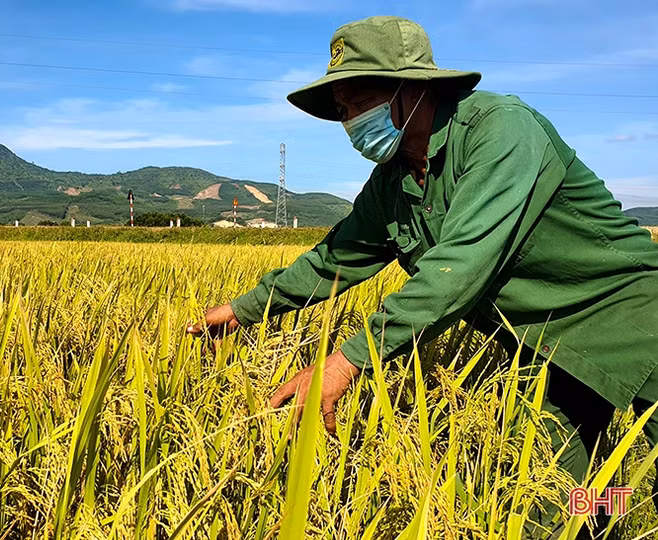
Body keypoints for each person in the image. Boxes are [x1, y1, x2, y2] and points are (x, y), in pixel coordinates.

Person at [186, 15, 658, 535]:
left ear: (411, 89)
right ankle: (610, 522)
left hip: (635, 323)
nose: (350, 122)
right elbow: (335, 258)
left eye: (360, 101)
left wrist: (346, 362)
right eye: (342, 110)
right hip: (544, 346)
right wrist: (242, 310)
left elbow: (460, 264)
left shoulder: (501, 130)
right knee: (560, 494)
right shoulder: (391, 180)